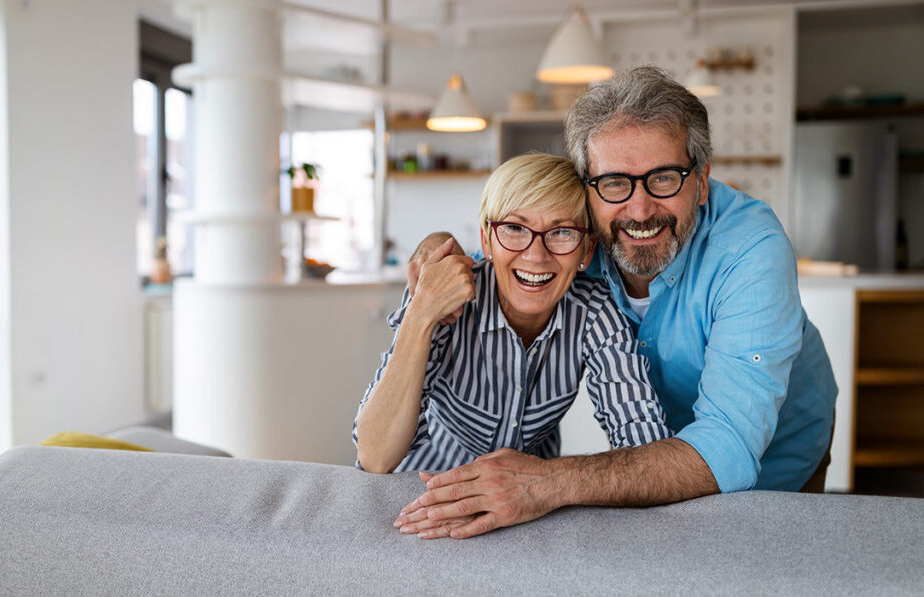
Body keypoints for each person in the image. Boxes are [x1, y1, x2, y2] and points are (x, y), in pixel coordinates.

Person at [394, 66, 838, 540]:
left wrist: (547, 481)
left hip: (777, 457)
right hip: (654, 463)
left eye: (664, 178)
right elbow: (502, 252)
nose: (640, 209)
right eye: (614, 183)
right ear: (587, 187)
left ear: (702, 180)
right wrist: (438, 247)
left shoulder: (751, 250)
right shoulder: (577, 231)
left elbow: (727, 450)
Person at [353, 153, 671, 484]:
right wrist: (420, 314)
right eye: (515, 228)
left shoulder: (592, 310)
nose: (536, 256)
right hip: (424, 487)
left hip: (532, 499)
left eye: (561, 232)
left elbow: (645, 444)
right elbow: (374, 457)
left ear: (586, 250)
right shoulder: (446, 292)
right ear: (487, 239)